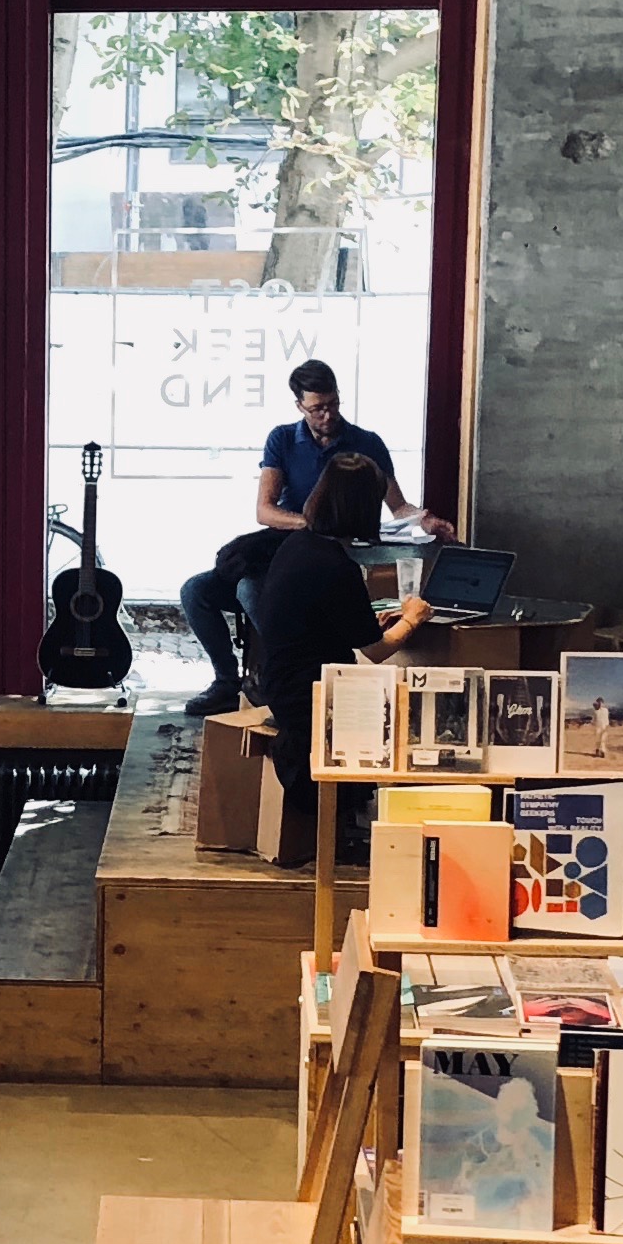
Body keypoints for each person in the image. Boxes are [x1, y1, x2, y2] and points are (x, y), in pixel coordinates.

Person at [177, 359, 451, 717]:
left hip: (328, 548)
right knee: (197, 590)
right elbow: (265, 510)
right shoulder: (283, 439)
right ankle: (229, 681)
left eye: (333, 404)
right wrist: (316, 523)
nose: (327, 415)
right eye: (317, 408)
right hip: (290, 544)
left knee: (251, 592)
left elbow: (398, 507)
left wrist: (426, 520)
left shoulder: (366, 443)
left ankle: (275, 674)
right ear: (299, 406)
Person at [251, 450, 435, 868]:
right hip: (310, 697)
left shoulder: (297, 546)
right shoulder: (336, 566)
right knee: (409, 709)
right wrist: (413, 618)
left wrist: (373, 619)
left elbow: (327, 620)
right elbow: (376, 650)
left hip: (280, 682)